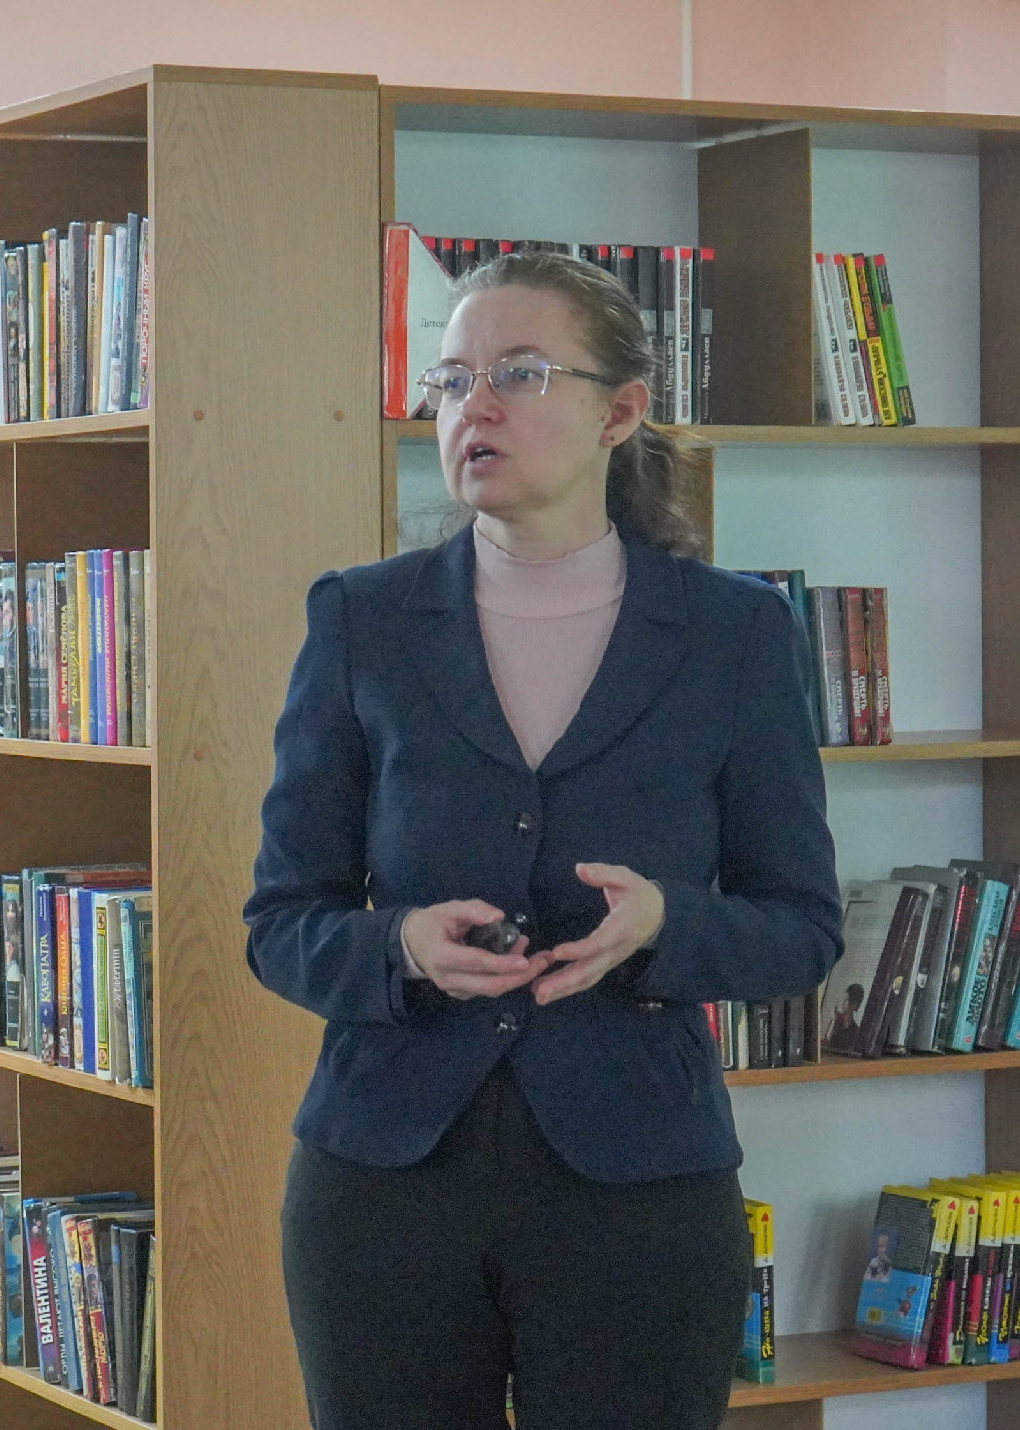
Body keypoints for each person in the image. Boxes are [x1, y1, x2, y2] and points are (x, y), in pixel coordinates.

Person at [243, 250, 842, 1430]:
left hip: (639, 1183)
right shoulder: (362, 619)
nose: (475, 405)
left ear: (620, 411)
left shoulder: (735, 634)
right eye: (452, 378)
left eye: (519, 372)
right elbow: (281, 922)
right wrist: (399, 946)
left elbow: (801, 927)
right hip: (384, 1180)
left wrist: (666, 924)